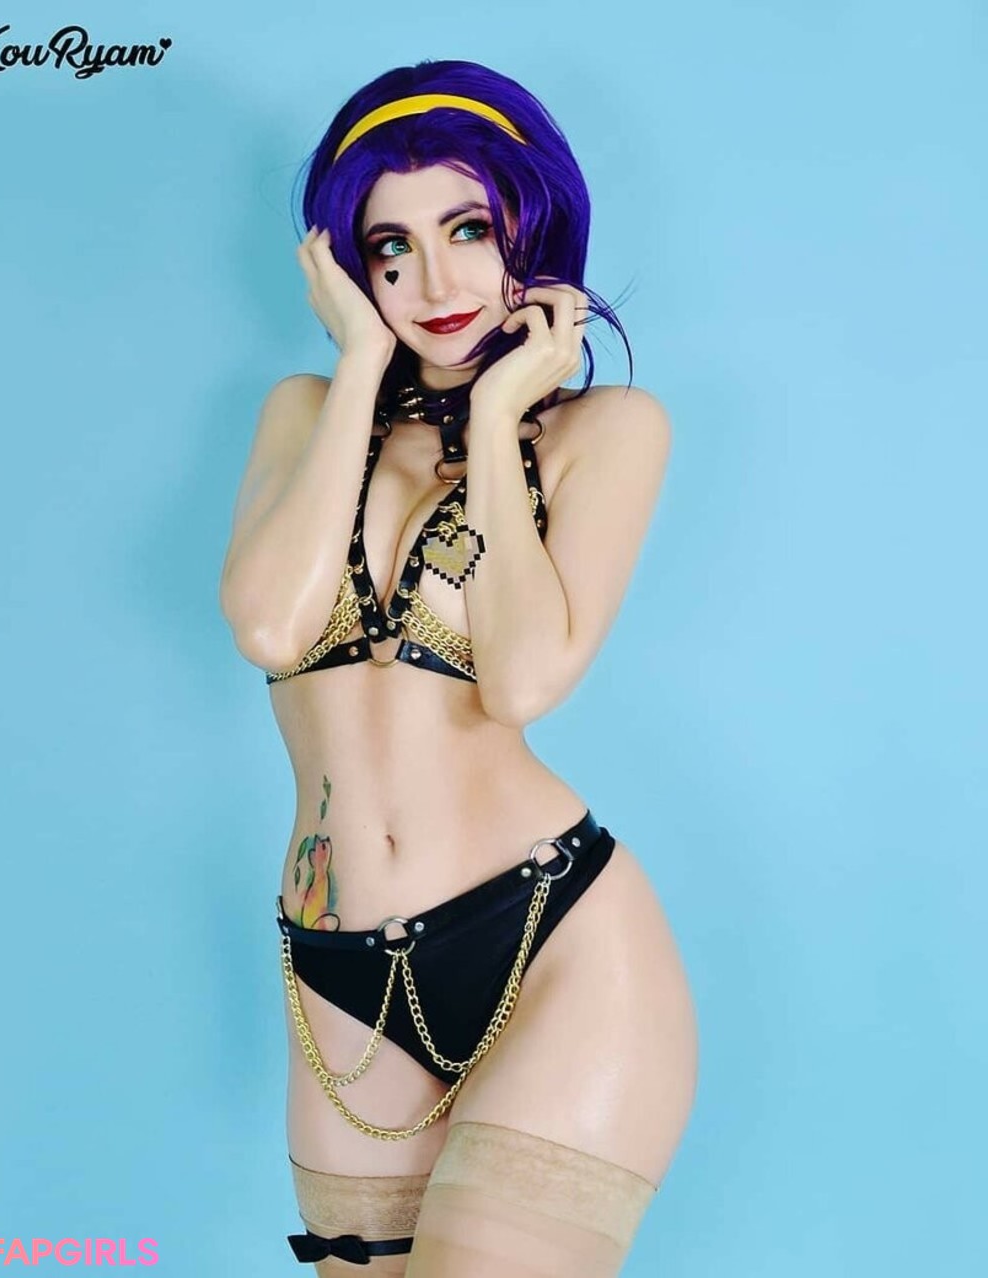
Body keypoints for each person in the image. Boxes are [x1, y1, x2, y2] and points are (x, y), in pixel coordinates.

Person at [219, 58, 698, 1277]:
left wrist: (493, 424)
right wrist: (357, 376)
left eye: (469, 230)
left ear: (532, 226)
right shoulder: (303, 413)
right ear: (350, 267)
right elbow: (271, 626)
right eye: (392, 247)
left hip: (552, 936)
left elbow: (525, 680)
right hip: (338, 970)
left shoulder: (607, 432)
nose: (434, 283)